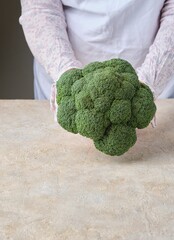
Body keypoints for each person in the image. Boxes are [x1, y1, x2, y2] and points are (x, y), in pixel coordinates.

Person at [19, 0, 174, 113]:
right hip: (62, 79)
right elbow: (40, 8)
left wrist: (151, 78)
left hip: (160, 82)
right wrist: (65, 72)